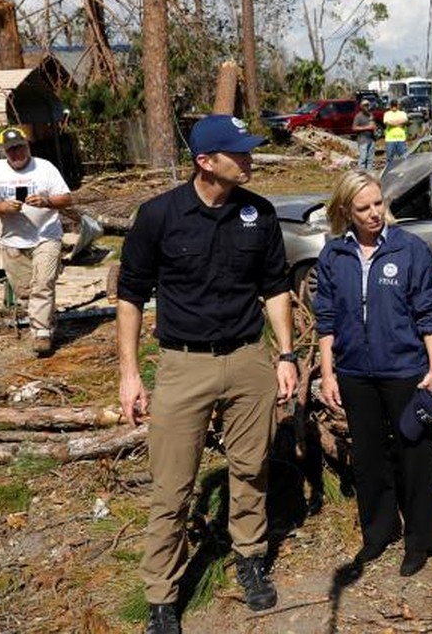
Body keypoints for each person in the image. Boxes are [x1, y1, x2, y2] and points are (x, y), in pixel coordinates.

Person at [117, 115, 298, 634]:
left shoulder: (258, 214)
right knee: (172, 487)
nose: (249, 158)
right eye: (237, 152)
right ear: (205, 162)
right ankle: (161, 594)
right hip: (182, 364)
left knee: (251, 469)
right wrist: (130, 375)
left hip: (248, 359)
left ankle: (249, 557)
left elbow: (275, 289)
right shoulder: (158, 216)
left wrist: (285, 355)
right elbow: (129, 297)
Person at [315, 170, 432, 577]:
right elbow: (327, 318)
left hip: (405, 368)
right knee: (368, 457)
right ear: (345, 211)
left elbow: (427, 313)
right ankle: (379, 531)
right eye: (364, 207)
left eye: (378, 204)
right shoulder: (334, 255)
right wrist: (328, 372)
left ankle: (421, 539)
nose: (374, 214)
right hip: (355, 372)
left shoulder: (409, 249)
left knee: (414, 454)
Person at [0, 126, 72, 356]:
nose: (17, 154)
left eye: (20, 147)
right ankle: (47, 320)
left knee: (43, 283)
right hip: (13, 241)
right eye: (11, 150)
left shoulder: (44, 168)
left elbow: (67, 199)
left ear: (27, 145)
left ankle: (41, 333)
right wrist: (2, 207)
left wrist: (46, 201)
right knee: (26, 292)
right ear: (3, 152)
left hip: (46, 236)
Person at [383, 101, 409, 170]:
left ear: (398, 105)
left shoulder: (402, 113)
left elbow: (405, 120)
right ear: (390, 106)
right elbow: (387, 122)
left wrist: (393, 122)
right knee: (389, 158)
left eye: (395, 105)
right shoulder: (387, 114)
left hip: (401, 138)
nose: (394, 107)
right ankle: (389, 172)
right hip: (390, 139)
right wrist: (398, 123)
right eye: (392, 105)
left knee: (403, 157)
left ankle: (403, 171)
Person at [352, 99, 377, 171]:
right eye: (365, 105)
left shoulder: (371, 115)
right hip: (363, 140)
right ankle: (362, 176)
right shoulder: (358, 116)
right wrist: (366, 127)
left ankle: (370, 175)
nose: (367, 107)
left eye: (368, 105)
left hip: (371, 139)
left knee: (370, 159)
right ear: (361, 107)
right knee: (363, 159)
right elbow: (354, 128)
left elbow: (373, 125)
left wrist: (374, 127)